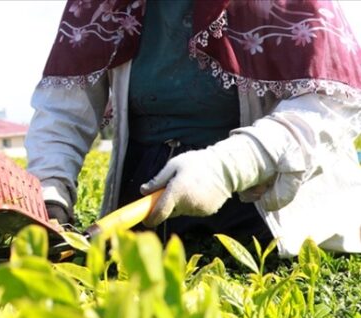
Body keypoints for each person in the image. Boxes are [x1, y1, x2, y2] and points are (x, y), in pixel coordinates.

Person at [25, 0, 361, 256]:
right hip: (145, 198)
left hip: (261, 203)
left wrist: (227, 167)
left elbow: (329, 105)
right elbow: (64, 107)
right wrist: (51, 193)